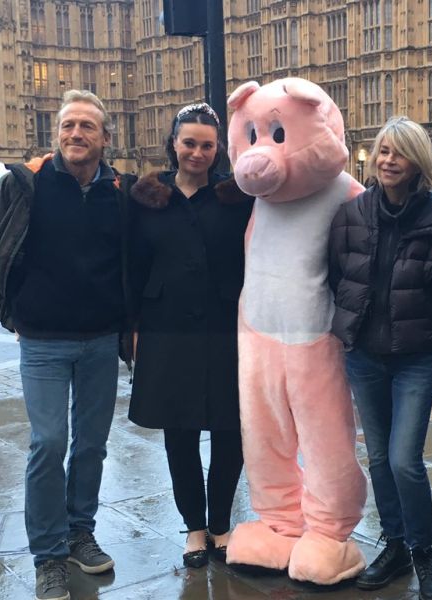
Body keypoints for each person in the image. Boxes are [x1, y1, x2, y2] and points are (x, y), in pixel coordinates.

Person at [0, 90, 132, 600]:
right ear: (57, 133)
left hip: (101, 340)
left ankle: (78, 532)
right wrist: (8, 311)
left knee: (91, 445)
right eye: (67, 126)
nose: (75, 134)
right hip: (42, 340)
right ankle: (48, 555)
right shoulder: (25, 184)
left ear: (105, 138)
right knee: (47, 444)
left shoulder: (119, 192)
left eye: (87, 126)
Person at [329, 116, 432, 600]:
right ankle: (394, 544)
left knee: (403, 459)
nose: (388, 161)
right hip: (364, 357)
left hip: (415, 358)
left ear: (417, 163)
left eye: (399, 153)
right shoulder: (352, 215)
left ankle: (423, 550)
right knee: (378, 458)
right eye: (382, 151)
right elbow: (337, 279)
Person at [127, 103, 253, 568]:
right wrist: (134, 328)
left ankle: (221, 524)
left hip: (225, 326)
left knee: (229, 431)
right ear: (173, 144)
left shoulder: (235, 197)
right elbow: (133, 266)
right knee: (178, 433)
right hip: (166, 328)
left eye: (206, 144)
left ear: (218, 149)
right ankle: (195, 529)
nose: (196, 152)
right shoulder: (145, 196)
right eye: (189, 142)